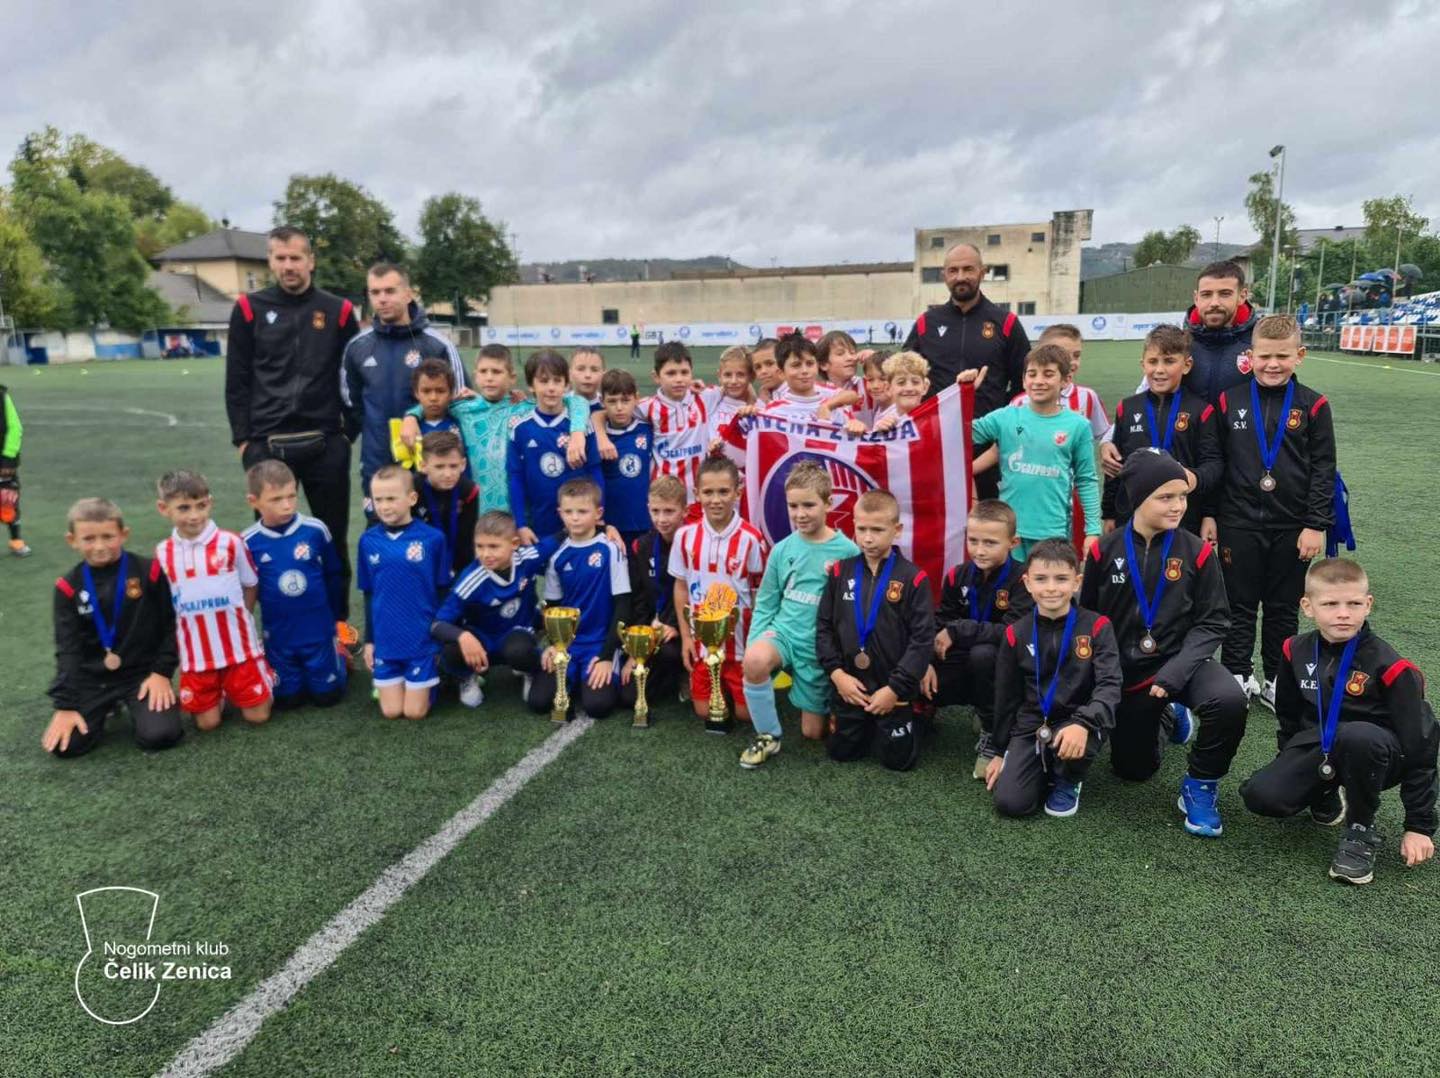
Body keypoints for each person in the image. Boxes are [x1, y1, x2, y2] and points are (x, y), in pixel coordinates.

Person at [1080, 451, 1247, 837]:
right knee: (1132, 770)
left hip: (1181, 662)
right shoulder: (1104, 551)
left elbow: (1214, 621)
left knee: (1229, 700)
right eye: (1166, 497)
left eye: (1182, 496)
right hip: (1129, 673)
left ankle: (1200, 784)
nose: (1178, 506)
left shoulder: (1197, 551)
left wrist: (1177, 671)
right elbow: (1088, 620)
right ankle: (1168, 715)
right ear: (1138, 497)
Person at [1239, 558, 1437, 885]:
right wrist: (1291, 764)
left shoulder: (1392, 667)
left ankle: (1360, 831)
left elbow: (1422, 746)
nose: (1343, 613)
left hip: (1379, 754)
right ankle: (1326, 790)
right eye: (1331, 604)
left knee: (1358, 737)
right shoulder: (1294, 650)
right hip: (1323, 746)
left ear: (1368, 605)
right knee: (1261, 797)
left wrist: (1419, 825)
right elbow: (1289, 717)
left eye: (1353, 604)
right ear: (1308, 607)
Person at [226, 226, 360, 612]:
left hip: (325, 442)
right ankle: (280, 627)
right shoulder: (248, 308)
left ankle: (339, 627)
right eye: (280, 258)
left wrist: (347, 434)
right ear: (270, 261)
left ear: (310, 261)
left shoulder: (338, 310)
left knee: (332, 539)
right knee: (271, 542)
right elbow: (237, 379)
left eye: (296, 258)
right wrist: (244, 441)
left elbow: (352, 376)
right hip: (267, 446)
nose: (288, 266)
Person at [1205, 315, 1336, 710]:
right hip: (1238, 522)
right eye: (1264, 356)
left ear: (1300, 355)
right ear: (1251, 356)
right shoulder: (1229, 400)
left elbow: (1324, 468)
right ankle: (1237, 674)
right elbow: (1217, 462)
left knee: (1282, 606)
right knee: (1238, 604)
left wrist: (1315, 524)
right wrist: (1210, 514)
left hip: (1292, 525)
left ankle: (1278, 679)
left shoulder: (1314, 405)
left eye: (1282, 356)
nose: (1272, 364)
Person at [986, 539, 1122, 818]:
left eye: (1061, 579)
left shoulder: (1097, 626)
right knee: (1011, 803)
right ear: (1027, 583)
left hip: (1079, 720)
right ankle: (1042, 764)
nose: (1050, 588)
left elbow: (1109, 685)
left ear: (1076, 582)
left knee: (1077, 736)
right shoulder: (1015, 633)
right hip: (1034, 724)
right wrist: (1000, 750)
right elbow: (1006, 696)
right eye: (1041, 579)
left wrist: (1084, 722)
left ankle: (1069, 778)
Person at [739, 462, 860, 768]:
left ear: (828, 503)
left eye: (808, 505)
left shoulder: (848, 552)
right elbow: (767, 602)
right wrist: (755, 644)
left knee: (812, 733)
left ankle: (822, 701)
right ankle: (768, 735)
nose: (800, 514)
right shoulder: (782, 549)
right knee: (754, 660)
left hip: (817, 647)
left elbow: (852, 611)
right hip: (783, 634)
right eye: (793, 506)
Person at [43, 498, 183, 757]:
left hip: (141, 674)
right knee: (67, 747)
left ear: (123, 534)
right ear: (72, 540)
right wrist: (66, 705)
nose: (99, 546)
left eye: (108, 536)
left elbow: (171, 624)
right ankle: (104, 706)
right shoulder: (68, 587)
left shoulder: (149, 571)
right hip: (93, 679)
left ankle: (133, 703)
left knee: (161, 734)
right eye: (88, 539)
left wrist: (161, 673)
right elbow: (68, 649)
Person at [1099, 261, 1261, 478]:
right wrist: (1109, 439)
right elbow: (1145, 392)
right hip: (1192, 464)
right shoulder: (1181, 342)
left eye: (1224, 294)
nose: (1214, 302)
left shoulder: (1259, 343)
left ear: (1242, 295)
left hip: (1243, 463)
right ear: (1196, 297)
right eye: (1206, 295)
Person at [816, 490, 935, 771]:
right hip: (851, 686)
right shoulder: (839, 572)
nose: (868, 538)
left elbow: (922, 640)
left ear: (897, 530)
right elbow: (824, 627)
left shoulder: (914, 578)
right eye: (861, 529)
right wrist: (837, 674)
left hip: (892, 689)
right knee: (841, 753)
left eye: (877, 530)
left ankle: (919, 715)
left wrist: (894, 688)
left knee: (898, 762)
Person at [903, 242, 1031, 498]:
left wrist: (1000, 417)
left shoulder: (1006, 322)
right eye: (953, 270)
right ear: (944, 275)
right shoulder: (927, 323)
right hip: (937, 439)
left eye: (968, 269)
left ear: (983, 272)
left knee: (988, 514)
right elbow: (903, 374)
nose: (960, 277)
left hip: (989, 445)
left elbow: (1023, 384)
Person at [400, 344, 590, 513]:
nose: (489, 378)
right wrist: (411, 416)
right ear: (475, 376)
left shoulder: (523, 407)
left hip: (518, 508)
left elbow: (577, 401)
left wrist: (577, 433)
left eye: (496, 372)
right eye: (484, 371)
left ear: (512, 378)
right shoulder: (464, 409)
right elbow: (433, 404)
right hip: (477, 506)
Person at [339, 262, 467, 509]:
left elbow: (460, 403)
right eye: (375, 292)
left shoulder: (438, 345)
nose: (382, 299)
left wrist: (417, 421)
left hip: (431, 464)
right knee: (380, 527)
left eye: (390, 291)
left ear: (408, 294)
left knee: (435, 527)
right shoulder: (357, 347)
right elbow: (352, 404)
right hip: (378, 461)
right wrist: (377, 431)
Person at [153, 470, 273, 731]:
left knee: (258, 717)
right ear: (164, 508)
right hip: (197, 654)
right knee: (207, 724)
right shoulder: (163, 553)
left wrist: (244, 618)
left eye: (201, 505)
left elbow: (250, 583)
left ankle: (263, 672)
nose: (194, 515)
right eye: (184, 508)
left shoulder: (230, 542)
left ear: (210, 502)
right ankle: (221, 690)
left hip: (238, 648)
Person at [931, 499, 1033, 778]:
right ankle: (922, 711)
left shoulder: (1023, 580)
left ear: (1013, 543)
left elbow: (1011, 633)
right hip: (965, 656)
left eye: (990, 543)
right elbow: (941, 621)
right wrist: (925, 661)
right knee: (925, 662)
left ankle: (993, 731)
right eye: (973, 540)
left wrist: (959, 630)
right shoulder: (958, 575)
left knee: (984, 655)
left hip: (1007, 664)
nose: (979, 550)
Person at [969, 343, 1100, 558]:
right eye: (1032, 374)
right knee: (1012, 580)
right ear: (1023, 380)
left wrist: (1093, 530)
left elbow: (1086, 479)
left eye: (1048, 374)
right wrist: (964, 395)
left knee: (1047, 580)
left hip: (1053, 532)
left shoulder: (1078, 426)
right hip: (1009, 532)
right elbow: (959, 435)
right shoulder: (1006, 417)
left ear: (1066, 380)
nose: (1038, 381)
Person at [241, 461, 347, 710]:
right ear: (254, 501)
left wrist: (336, 621)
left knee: (327, 699)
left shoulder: (315, 530)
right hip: (279, 636)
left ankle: (340, 652)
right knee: (287, 701)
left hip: (318, 632)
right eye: (276, 499)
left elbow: (333, 575)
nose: (287, 505)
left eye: (291, 496)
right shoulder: (247, 542)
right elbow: (246, 589)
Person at [671, 457, 767, 728]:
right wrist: (686, 638)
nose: (716, 500)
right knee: (705, 712)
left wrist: (758, 645)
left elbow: (760, 595)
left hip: (740, 645)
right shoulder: (684, 537)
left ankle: (747, 687)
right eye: (708, 492)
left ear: (738, 493)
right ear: (697, 494)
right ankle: (713, 688)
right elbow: (681, 586)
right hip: (702, 644)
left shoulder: (751, 539)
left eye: (724, 492)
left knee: (745, 716)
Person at [1103, 324, 1223, 535]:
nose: (1159, 370)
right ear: (1143, 365)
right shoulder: (1127, 408)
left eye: (1169, 361)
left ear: (1186, 365)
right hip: (1131, 517)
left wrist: (1207, 511)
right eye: (1153, 361)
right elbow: (1115, 465)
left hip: (1183, 519)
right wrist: (1109, 513)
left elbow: (1213, 464)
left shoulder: (1201, 411)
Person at [530, 478, 630, 720]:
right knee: (539, 702)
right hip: (569, 645)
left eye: (582, 512)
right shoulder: (557, 556)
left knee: (598, 706)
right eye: (569, 512)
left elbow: (623, 605)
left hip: (600, 643)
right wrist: (554, 645)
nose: (575, 518)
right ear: (560, 513)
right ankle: (573, 677)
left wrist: (606, 656)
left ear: (598, 514)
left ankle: (592, 675)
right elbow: (553, 608)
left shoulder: (611, 548)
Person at [431, 510, 550, 709]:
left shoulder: (528, 558)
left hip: (516, 634)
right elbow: (437, 624)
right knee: (451, 649)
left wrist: (601, 528)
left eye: (493, 546)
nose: (485, 554)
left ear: (514, 544)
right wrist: (463, 637)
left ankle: (527, 670)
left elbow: (558, 540)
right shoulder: (471, 579)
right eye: (480, 546)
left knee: (520, 650)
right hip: (482, 643)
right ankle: (466, 677)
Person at [357, 466, 449, 720]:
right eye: (378, 500)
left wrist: (441, 639)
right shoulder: (368, 541)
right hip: (386, 639)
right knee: (391, 711)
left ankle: (436, 679)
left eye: (391, 498)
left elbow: (443, 591)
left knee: (414, 712)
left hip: (421, 639)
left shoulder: (433, 539)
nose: (384, 506)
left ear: (411, 498)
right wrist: (370, 641)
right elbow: (368, 593)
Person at [507, 349, 602, 545]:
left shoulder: (581, 425)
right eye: (543, 381)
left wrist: (600, 513)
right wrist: (521, 524)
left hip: (580, 525)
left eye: (557, 381)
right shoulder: (520, 428)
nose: (551, 388)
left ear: (566, 385)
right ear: (531, 385)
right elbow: (516, 478)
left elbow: (595, 471)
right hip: (538, 526)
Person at [623, 475, 689, 705]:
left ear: (685, 510)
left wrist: (676, 625)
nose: (661, 519)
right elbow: (641, 598)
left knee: (669, 652)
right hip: (655, 626)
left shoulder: (695, 543)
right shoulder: (642, 546)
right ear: (648, 509)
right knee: (629, 696)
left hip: (685, 627)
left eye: (669, 511)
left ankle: (685, 672)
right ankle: (667, 676)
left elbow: (695, 592)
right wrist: (636, 647)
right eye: (655, 511)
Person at [639, 341, 712, 500]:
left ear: (692, 373)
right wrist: (602, 437)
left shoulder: (705, 397)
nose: (679, 379)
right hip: (664, 496)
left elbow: (739, 388)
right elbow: (606, 411)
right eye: (671, 373)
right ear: (656, 377)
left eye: (684, 372)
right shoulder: (647, 407)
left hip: (698, 495)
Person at [413, 431, 480, 581]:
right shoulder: (412, 490)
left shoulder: (468, 491)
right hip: (419, 562)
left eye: (453, 466)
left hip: (456, 564)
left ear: (463, 464)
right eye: (439, 467)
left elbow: (467, 539)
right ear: (423, 466)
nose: (448, 474)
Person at [597, 370, 653, 548]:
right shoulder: (597, 436)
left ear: (636, 398)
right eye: (612, 401)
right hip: (613, 525)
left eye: (625, 400)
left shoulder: (648, 428)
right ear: (602, 401)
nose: (619, 407)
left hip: (646, 521)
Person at [0, 382, 30, 555]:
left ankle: (16, 539)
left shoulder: (2, 396)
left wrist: (9, 459)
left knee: (7, 501)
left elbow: (15, 428)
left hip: (2, 462)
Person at [750, 337, 783, 404]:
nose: (763, 371)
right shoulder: (763, 396)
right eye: (758, 367)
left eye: (770, 364)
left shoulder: (798, 393)